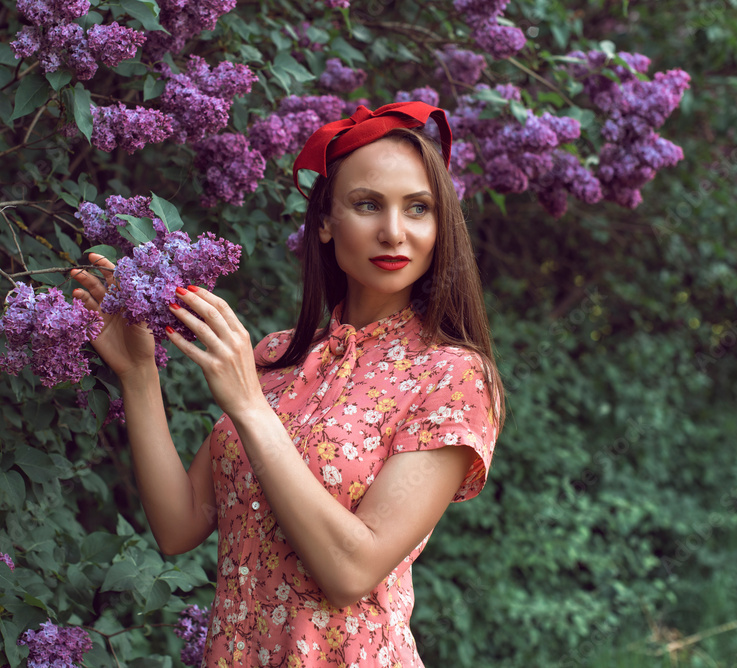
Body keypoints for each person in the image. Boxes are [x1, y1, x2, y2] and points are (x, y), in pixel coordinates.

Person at [72, 101, 505, 667]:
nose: (394, 231)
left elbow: (351, 571)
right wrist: (139, 374)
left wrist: (250, 406)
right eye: (368, 204)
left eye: (418, 208)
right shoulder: (275, 356)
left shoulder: (452, 376)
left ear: (440, 223)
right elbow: (181, 525)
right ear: (325, 222)